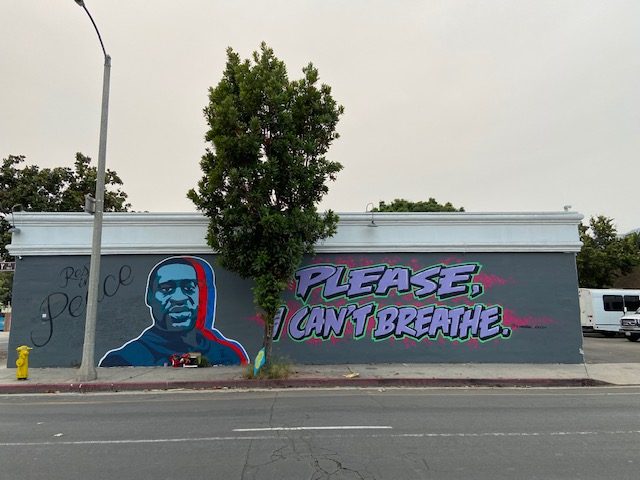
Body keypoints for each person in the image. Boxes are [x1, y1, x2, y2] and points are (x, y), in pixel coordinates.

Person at [99, 256, 249, 367]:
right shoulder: (124, 360)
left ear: (201, 296)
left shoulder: (227, 354)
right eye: (166, 289)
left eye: (189, 288)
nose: (179, 298)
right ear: (149, 297)